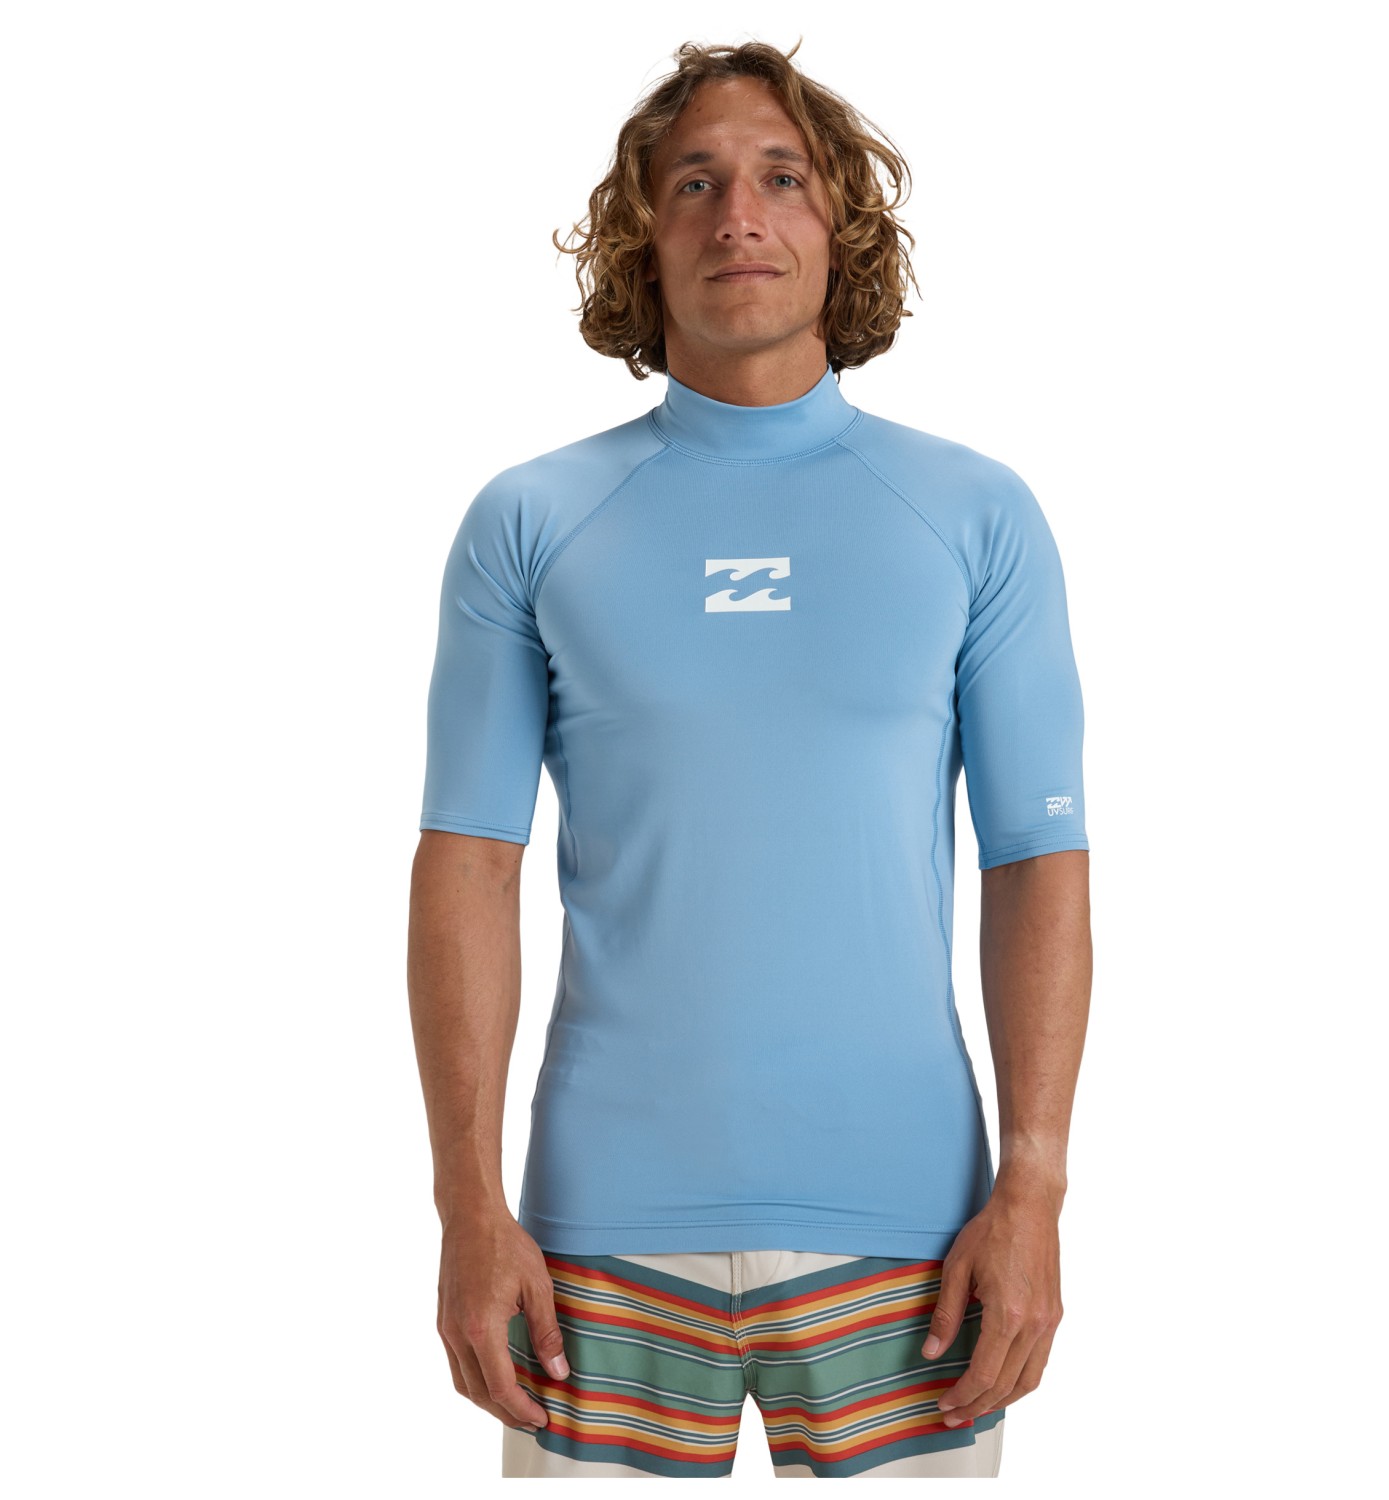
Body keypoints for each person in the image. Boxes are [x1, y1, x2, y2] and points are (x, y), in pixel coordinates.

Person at [407, 37, 1093, 1480]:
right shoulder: (532, 520)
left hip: (916, 1237)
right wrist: (469, 1206)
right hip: (593, 1240)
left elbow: (1038, 859)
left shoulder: (974, 515)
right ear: (641, 236)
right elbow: (467, 862)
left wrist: (1032, 1189)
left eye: (783, 179)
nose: (739, 217)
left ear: (840, 228)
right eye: (695, 183)